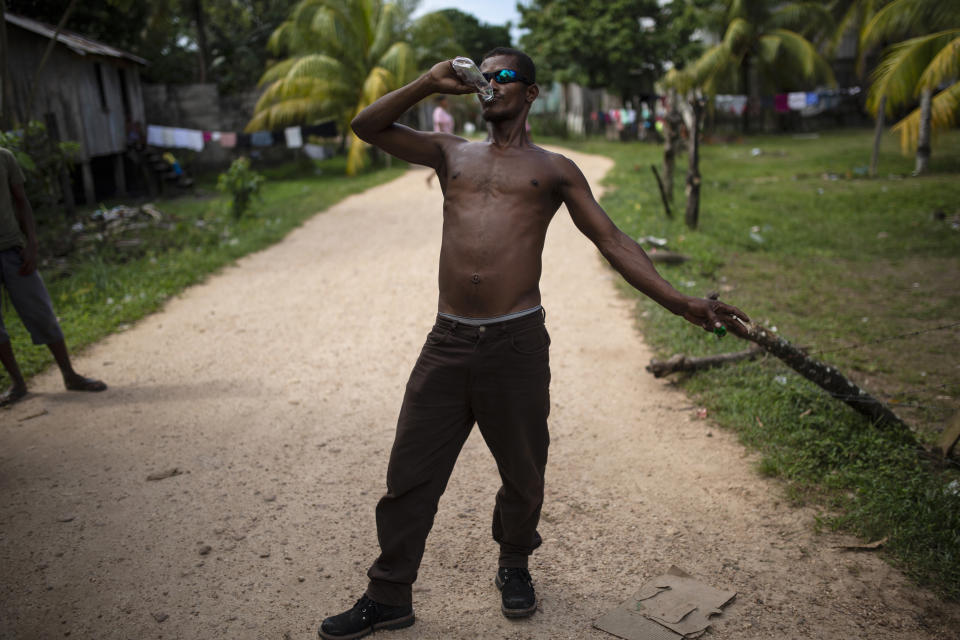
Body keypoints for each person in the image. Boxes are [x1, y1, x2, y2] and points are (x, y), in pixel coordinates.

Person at [318, 48, 749, 640]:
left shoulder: (554, 169)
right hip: (447, 341)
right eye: (483, 76)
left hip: (515, 343)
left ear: (532, 93)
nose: (490, 85)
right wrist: (428, 83)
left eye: (503, 77)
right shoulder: (451, 154)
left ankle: (514, 562)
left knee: (523, 474)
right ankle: (389, 594)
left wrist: (680, 302)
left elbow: (613, 240)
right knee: (409, 474)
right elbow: (367, 126)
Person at [0, 146, 106, 407]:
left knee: (40, 311)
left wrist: (32, 242)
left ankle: (69, 375)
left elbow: (21, 200)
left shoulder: (5, 157)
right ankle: (18, 384)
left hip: (12, 250)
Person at [425, 96, 454, 187]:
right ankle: (449, 180)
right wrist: (444, 140)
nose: (447, 102)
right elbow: (439, 125)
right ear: (441, 101)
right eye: (445, 100)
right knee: (446, 161)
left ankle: (430, 178)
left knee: (444, 161)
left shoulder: (444, 111)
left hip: (448, 139)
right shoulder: (438, 111)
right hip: (443, 140)